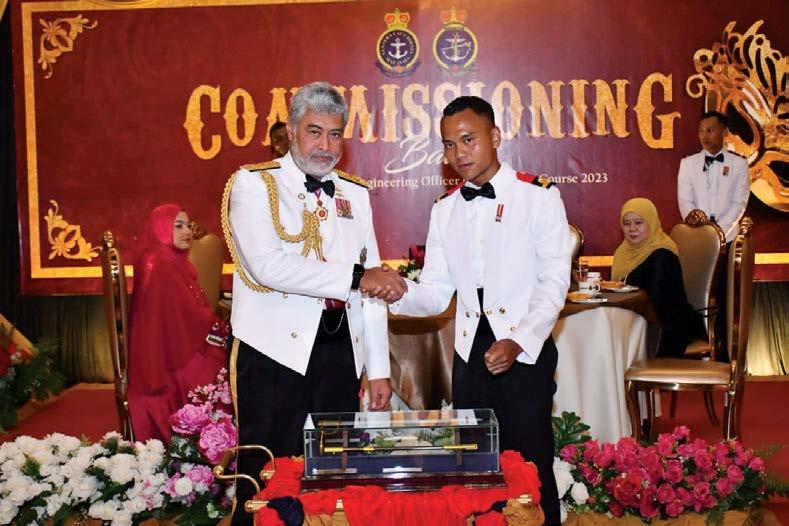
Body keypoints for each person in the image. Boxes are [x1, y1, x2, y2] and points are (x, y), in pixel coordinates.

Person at [385, 96, 572, 525]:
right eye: (449, 145)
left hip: (524, 350)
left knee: (532, 464)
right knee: (477, 470)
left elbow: (553, 283)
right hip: (470, 354)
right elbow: (436, 293)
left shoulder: (538, 196)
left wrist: (518, 340)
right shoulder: (444, 209)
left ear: (495, 137)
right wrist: (397, 291)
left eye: (468, 140)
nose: (459, 153)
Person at [224, 81, 402, 525]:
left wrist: (378, 367)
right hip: (272, 350)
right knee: (266, 473)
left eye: (335, 134)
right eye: (314, 132)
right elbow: (268, 266)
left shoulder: (355, 193)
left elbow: (371, 287)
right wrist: (357, 277)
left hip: (339, 349)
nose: (325, 146)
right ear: (291, 130)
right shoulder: (254, 184)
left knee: (334, 469)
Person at [127, 204, 228, 443]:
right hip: (168, 359)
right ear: (161, 228)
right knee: (224, 368)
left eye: (188, 225)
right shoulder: (157, 264)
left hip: (181, 344)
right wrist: (217, 326)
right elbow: (181, 316)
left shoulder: (173, 261)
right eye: (178, 226)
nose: (187, 232)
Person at [611, 198, 707, 357]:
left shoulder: (662, 254)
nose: (632, 228)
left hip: (665, 328)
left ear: (651, 222)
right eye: (626, 223)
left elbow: (660, 304)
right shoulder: (622, 252)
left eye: (638, 222)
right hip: (637, 321)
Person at [677, 111, 749, 243]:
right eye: (701, 131)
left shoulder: (739, 163)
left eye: (709, 130)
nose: (704, 136)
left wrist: (719, 232)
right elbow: (685, 201)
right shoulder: (687, 163)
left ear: (724, 132)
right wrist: (700, 230)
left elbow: (739, 203)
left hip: (728, 236)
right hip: (696, 235)